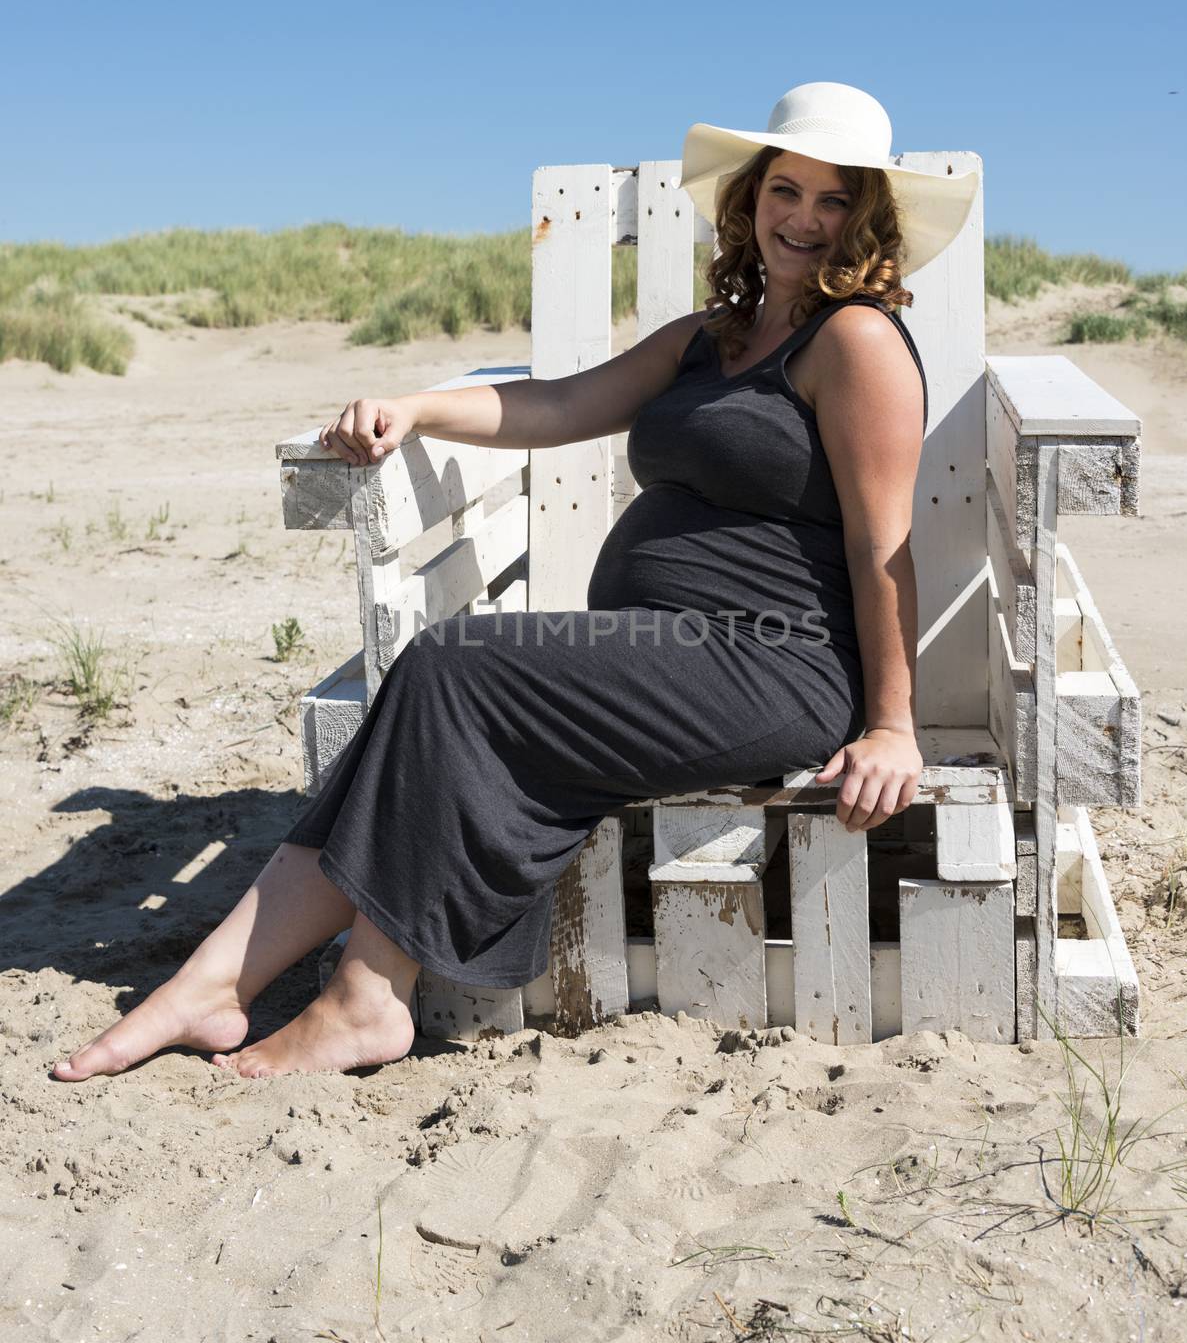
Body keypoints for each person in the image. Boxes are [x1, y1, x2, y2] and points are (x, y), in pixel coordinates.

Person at [52, 81, 979, 1082]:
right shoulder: (710, 338)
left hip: (772, 659)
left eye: (834, 199)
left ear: (866, 217)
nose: (803, 218)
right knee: (434, 682)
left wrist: (894, 723)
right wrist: (414, 406)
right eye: (785, 190)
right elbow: (559, 403)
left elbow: (885, 548)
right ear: (751, 200)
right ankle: (213, 985)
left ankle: (365, 997)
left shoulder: (857, 342)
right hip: (670, 651)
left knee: (457, 665)